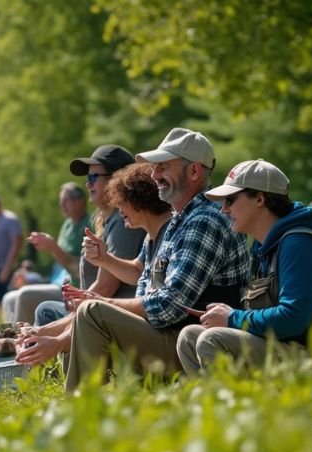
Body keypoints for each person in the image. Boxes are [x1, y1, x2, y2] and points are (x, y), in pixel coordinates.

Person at [61, 127, 250, 391]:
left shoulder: (205, 220)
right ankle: (90, 405)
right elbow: (146, 285)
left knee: (93, 312)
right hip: (170, 335)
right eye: (154, 168)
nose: (154, 175)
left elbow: (169, 307)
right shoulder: (177, 222)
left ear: (194, 171)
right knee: (90, 312)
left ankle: (82, 412)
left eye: (163, 167)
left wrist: (104, 302)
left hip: (192, 347)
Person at [176, 159, 312, 373]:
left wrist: (232, 318)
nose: (223, 210)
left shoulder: (299, 244)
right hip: (291, 348)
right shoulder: (264, 247)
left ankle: (238, 405)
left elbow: (293, 318)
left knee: (211, 340)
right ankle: (218, 403)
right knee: (189, 337)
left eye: (230, 200)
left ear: (260, 199)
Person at [16, 162, 170, 367]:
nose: (88, 184)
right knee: (81, 309)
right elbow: (137, 271)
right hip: (143, 320)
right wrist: (103, 260)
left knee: (77, 311)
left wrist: (96, 300)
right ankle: (43, 361)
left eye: (93, 177)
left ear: (138, 199)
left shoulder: (138, 227)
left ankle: (67, 384)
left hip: (157, 331)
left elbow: (161, 303)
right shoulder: (149, 236)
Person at [30, 145, 147, 327]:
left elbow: (106, 287)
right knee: (43, 310)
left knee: (45, 311)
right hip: (100, 309)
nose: (88, 183)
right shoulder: (110, 220)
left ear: (116, 179)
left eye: (94, 177)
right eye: (87, 178)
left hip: (115, 316)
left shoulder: (123, 222)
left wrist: (61, 324)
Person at [1, 182, 91, 323]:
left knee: (25, 295)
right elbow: (60, 263)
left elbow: (80, 267)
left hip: (72, 287)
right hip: (56, 282)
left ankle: (19, 342)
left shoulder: (88, 225)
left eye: (65, 201)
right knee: (9, 299)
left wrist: (52, 247)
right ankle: (10, 338)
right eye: (60, 201)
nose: (62, 205)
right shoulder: (67, 225)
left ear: (79, 201)